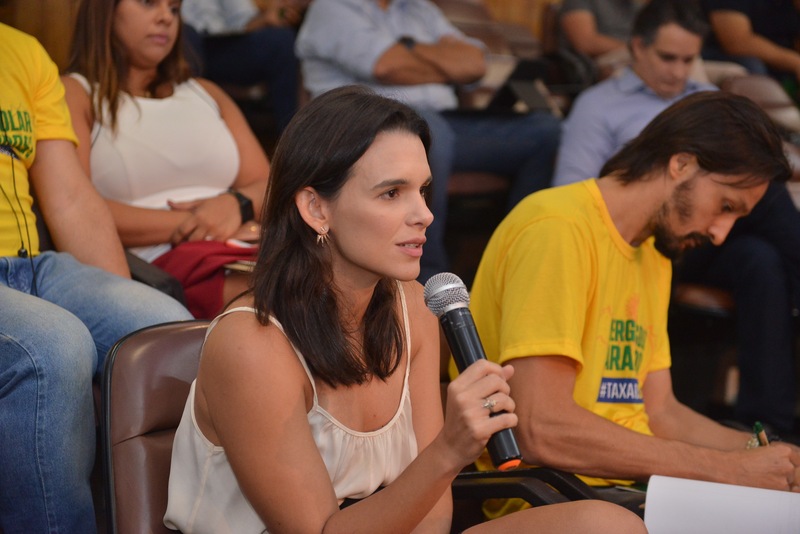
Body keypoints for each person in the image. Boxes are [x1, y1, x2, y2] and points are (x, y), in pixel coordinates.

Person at [162, 85, 646, 534]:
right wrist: (450, 450)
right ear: (316, 209)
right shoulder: (253, 343)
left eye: (423, 190)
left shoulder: (413, 306)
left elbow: (433, 519)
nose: (425, 215)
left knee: (606, 525)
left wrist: (445, 454)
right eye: (392, 193)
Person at [464, 91, 800, 520]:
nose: (720, 233)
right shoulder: (558, 228)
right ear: (682, 164)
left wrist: (771, 456)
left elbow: (661, 413)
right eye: (725, 206)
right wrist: (726, 470)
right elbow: (540, 429)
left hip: (627, 490)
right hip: (556, 497)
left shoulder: (654, 252)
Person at [554, 0, 800, 436]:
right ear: (637, 47)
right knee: (763, 191)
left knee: (761, 260)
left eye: (689, 60)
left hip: (709, 238)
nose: (677, 71)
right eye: (668, 57)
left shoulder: (706, 102)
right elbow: (570, 190)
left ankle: (767, 429)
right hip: (648, 234)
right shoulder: (600, 104)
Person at [0, 22, 193, 533]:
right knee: (54, 346)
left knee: (163, 330)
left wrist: (122, 321)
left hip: (32, 264)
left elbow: (68, 197)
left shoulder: (23, 52)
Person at [294, 0, 562, 282]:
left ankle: (516, 263)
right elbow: (387, 67)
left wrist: (408, 48)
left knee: (544, 131)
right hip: (361, 128)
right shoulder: (333, 7)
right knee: (426, 134)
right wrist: (444, 62)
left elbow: (475, 64)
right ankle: (426, 275)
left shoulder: (420, 9)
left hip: (444, 120)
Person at [63, 0, 272, 319]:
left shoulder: (205, 92)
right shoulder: (76, 93)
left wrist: (236, 205)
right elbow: (73, 208)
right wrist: (205, 222)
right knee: (285, 296)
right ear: (105, 10)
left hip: (244, 240)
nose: (165, 17)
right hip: (157, 263)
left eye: (174, 8)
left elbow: (269, 184)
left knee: (332, 277)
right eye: (149, 3)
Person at [181, 0, 301, 134]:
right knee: (187, 35)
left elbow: (245, 21)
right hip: (183, 45)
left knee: (282, 39)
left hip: (223, 47)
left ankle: (291, 137)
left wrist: (264, 19)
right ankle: (192, 132)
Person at [701, 0, 800, 91]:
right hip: (718, 54)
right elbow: (737, 43)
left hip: (779, 57)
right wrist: (795, 62)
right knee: (753, 65)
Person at [558, 0, 646, 80]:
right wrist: (636, 49)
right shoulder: (579, 2)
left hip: (635, 52)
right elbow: (585, 43)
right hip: (599, 61)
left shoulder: (635, 5)